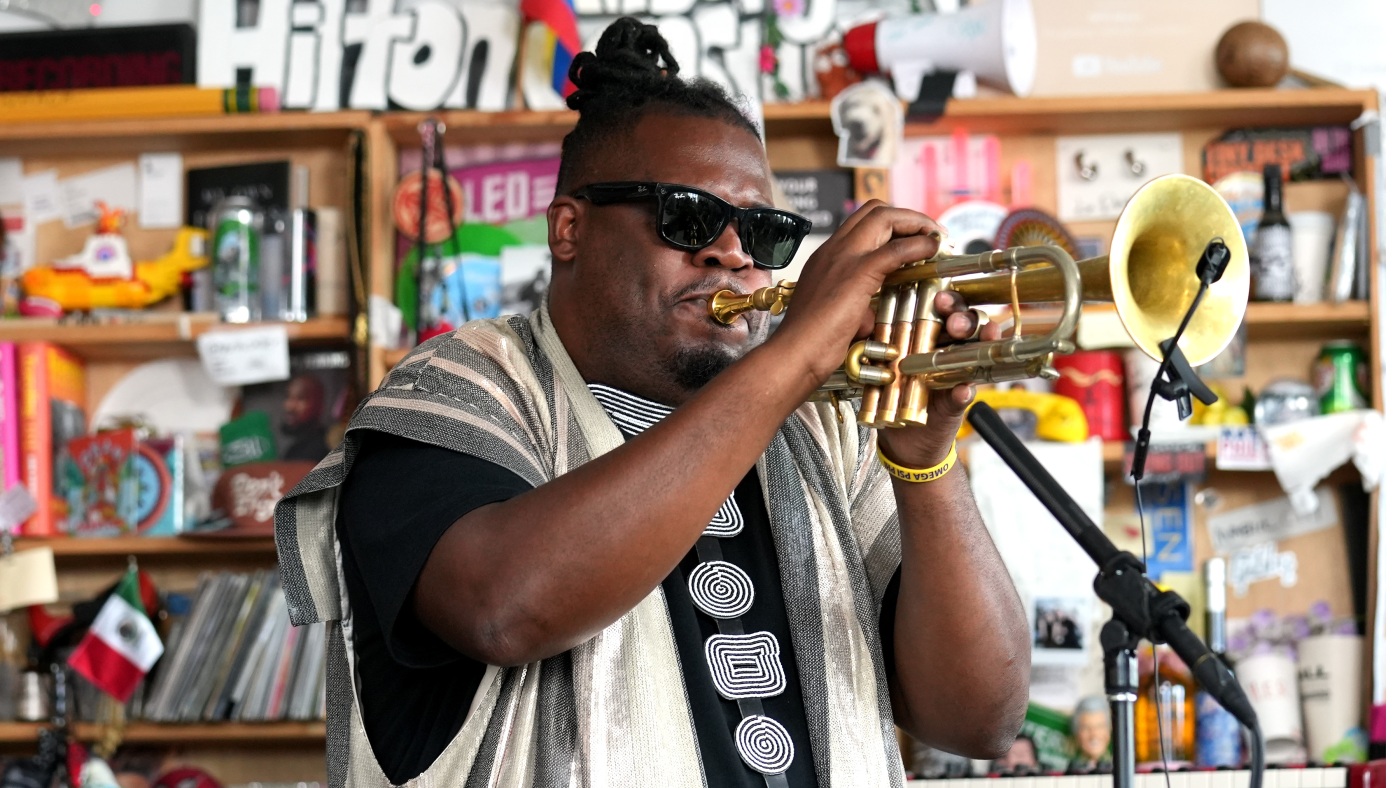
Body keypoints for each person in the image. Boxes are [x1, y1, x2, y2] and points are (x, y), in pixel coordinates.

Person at [275, 17, 1029, 787]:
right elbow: (507, 608)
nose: (732, 254)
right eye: (689, 217)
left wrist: (925, 463)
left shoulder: (823, 424)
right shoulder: (455, 386)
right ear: (568, 229)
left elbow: (980, 719)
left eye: (763, 232)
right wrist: (795, 354)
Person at [278, 373, 329, 462]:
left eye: (300, 398)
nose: (289, 406)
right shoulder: (293, 448)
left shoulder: (323, 449)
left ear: (319, 405)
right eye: (288, 397)